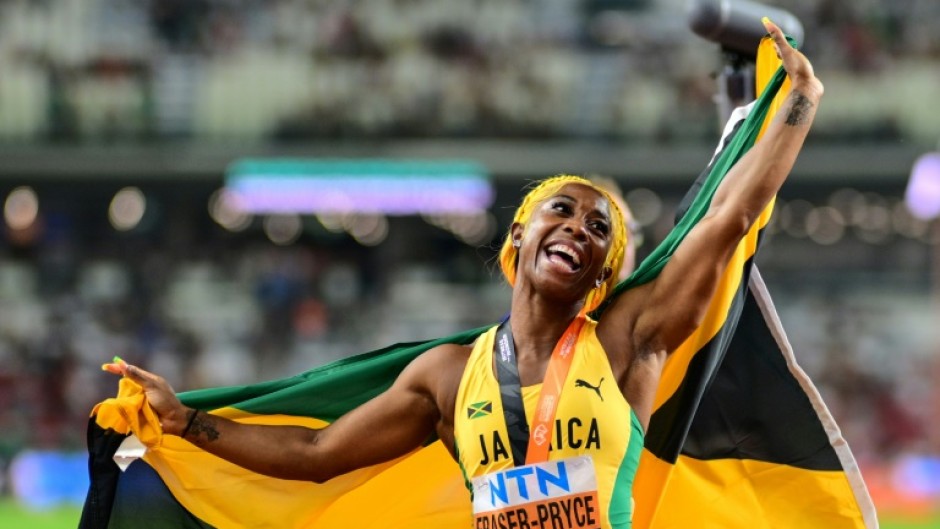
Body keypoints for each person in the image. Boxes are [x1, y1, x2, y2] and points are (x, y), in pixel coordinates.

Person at [103, 20, 822, 528]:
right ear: (520, 233)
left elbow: (727, 218)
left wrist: (798, 105)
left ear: (602, 275)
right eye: (562, 210)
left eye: (599, 229)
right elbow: (317, 452)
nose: (579, 227)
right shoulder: (448, 377)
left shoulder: (626, 342)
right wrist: (186, 421)